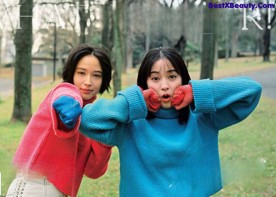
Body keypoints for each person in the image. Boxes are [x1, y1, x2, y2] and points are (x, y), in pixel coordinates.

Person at [79, 47, 262, 197]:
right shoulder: (130, 126)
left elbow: (251, 91)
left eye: (172, 77)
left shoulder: (203, 118)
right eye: (155, 78)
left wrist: (197, 93)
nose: (164, 85)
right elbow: (86, 121)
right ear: (145, 83)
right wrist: (134, 102)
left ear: (183, 79)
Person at [6, 44, 112, 197]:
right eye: (81, 73)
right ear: (71, 73)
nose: (88, 81)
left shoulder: (91, 116)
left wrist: (106, 138)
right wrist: (69, 106)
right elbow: (65, 96)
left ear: (104, 79)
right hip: (36, 188)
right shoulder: (65, 92)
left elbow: (93, 170)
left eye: (96, 75)